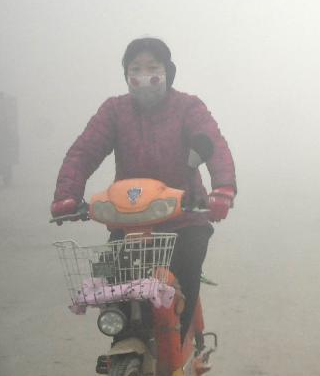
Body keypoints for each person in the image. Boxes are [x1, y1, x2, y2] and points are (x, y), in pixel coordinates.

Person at [50, 37, 237, 344]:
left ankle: (179, 347)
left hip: (185, 218)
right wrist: (66, 196)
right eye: (135, 68)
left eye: (153, 67)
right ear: (126, 75)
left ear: (168, 72)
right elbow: (84, 152)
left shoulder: (188, 107)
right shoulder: (114, 111)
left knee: (186, 276)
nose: (143, 75)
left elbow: (212, 143)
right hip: (129, 221)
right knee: (118, 291)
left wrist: (223, 189)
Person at [0, 92, 19, 186]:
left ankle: (6, 173)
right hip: (5, 140)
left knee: (6, 161)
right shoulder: (7, 106)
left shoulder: (6, 107)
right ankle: (6, 174)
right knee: (6, 161)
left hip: (5, 140)